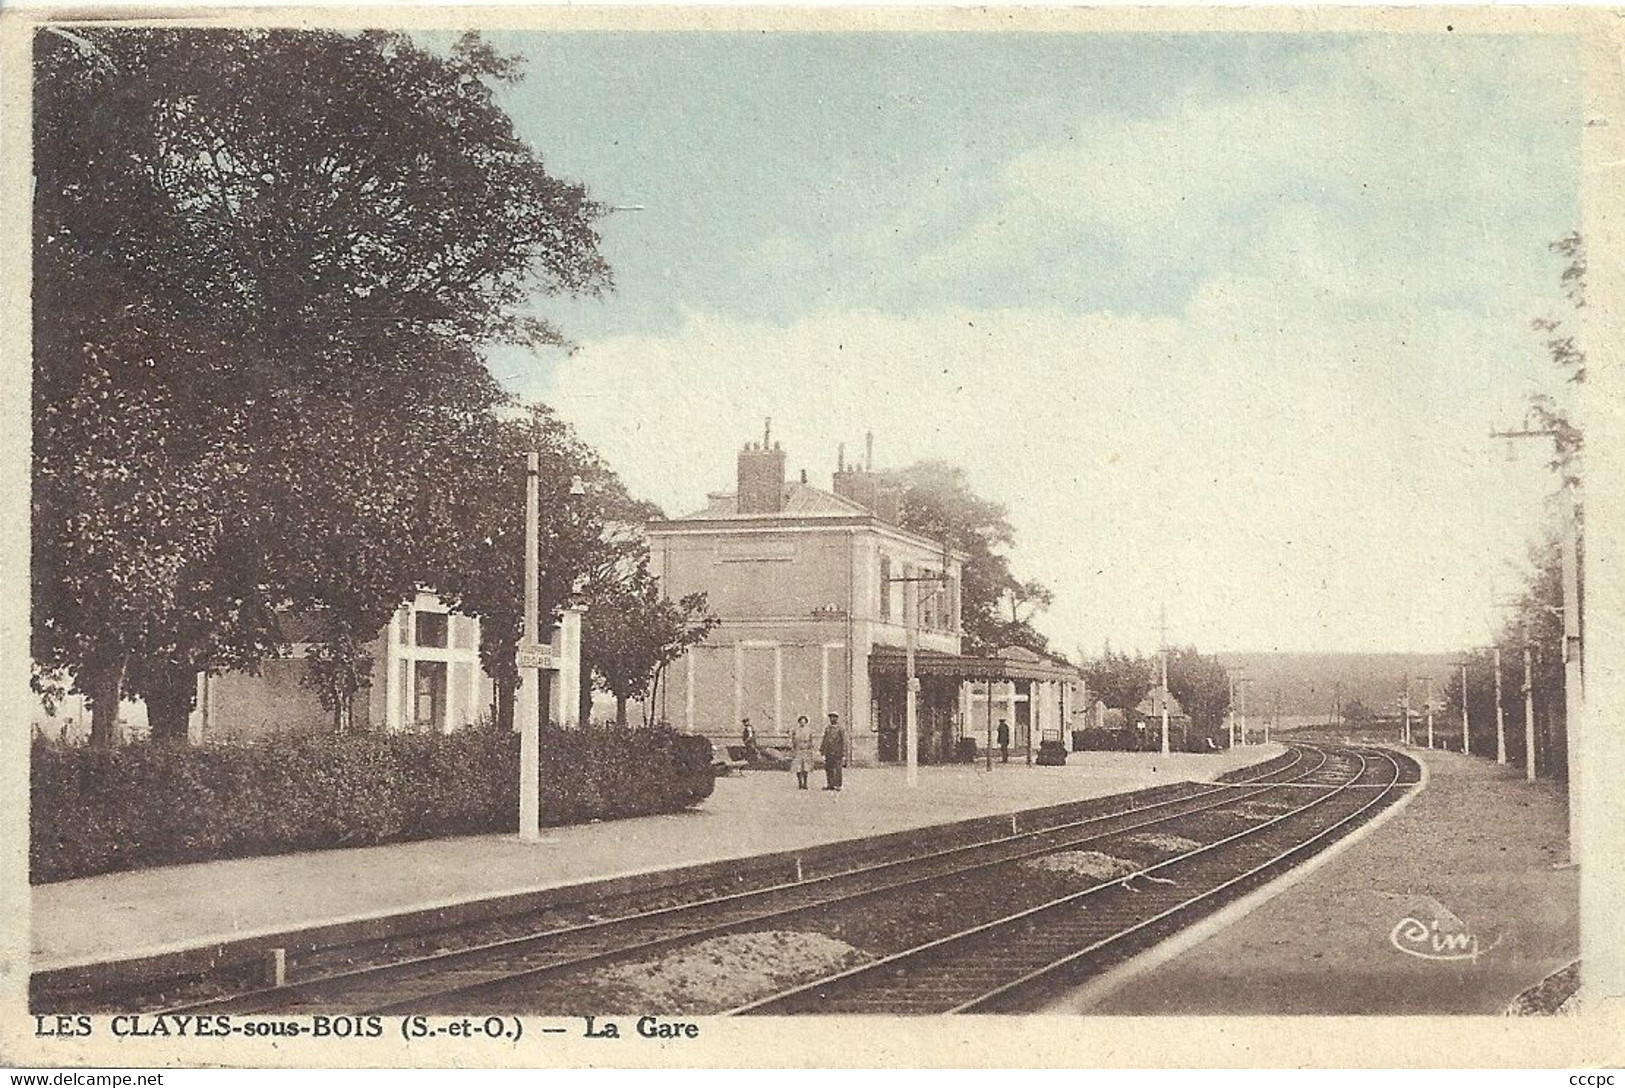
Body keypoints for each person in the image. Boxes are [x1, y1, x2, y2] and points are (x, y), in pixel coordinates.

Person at [820, 713, 848, 791]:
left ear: (837, 719)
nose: (832, 719)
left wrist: (844, 752)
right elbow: (825, 740)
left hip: (837, 752)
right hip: (829, 752)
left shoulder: (840, 729)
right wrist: (822, 751)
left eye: (834, 718)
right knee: (829, 768)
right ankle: (830, 784)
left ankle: (838, 785)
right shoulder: (828, 728)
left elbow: (844, 741)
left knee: (838, 769)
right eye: (831, 718)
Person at [789, 714, 815, 790]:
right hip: (798, 750)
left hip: (806, 750)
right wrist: (793, 748)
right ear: (799, 722)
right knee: (798, 767)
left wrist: (810, 748)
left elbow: (811, 740)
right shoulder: (796, 730)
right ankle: (800, 783)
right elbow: (793, 740)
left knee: (806, 767)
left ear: (806, 722)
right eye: (801, 722)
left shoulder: (809, 730)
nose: (802, 723)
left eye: (804, 722)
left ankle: (805, 783)